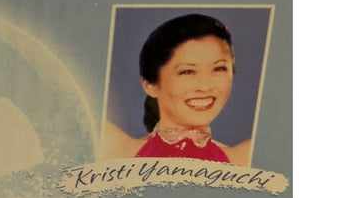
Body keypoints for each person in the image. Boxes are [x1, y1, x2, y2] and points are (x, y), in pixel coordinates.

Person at [101, 13, 252, 165]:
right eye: (187, 71)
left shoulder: (244, 160)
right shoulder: (118, 151)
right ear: (150, 85)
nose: (205, 86)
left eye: (218, 68)